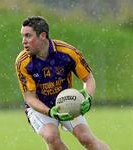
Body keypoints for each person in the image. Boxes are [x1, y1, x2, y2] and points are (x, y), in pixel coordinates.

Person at [15, 16, 110, 150]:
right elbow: (30, 98)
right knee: (51, 136)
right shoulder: (23, 62)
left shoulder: (67, 52)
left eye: (28, 36)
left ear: (43, 35)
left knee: (86, 138)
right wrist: (50, 112)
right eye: (23, 36)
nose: (24, 41)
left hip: (67, 102)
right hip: (40, 108)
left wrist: (88, 97)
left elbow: (88, 78)